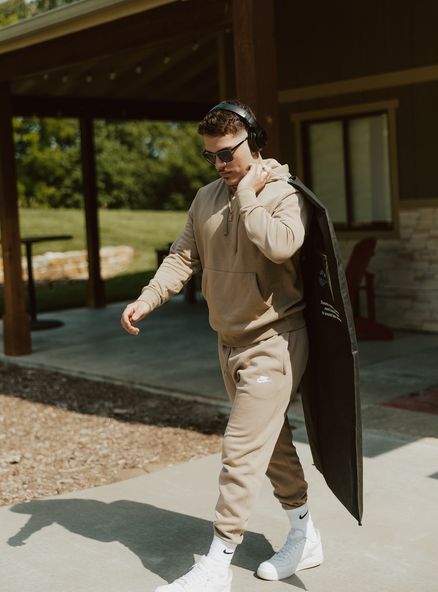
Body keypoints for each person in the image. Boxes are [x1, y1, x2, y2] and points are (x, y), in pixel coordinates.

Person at [120, 100, 323, 592]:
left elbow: (280, 244)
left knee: (239, 450)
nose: (220, 164)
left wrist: (250, 196)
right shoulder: (206, 197)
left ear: (254, 142)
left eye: (227, 153)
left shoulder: (282, 194)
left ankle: (217, 562)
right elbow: (182, 257)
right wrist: (148, 298)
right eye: (211, 156)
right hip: (228, 341)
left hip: (274, 341)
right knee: (270, 445)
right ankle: (305, 534)